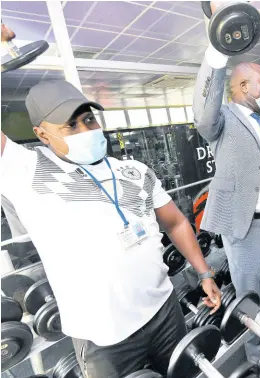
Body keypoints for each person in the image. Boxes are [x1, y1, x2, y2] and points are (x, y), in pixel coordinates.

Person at [0, 80, 222, 377]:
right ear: (42, 135)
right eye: (71, 125)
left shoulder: (134, 171)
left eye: (89, 119)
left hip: (165, 311)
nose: (87, 130)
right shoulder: (28, 173)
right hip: (104, 337)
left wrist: (204, 272)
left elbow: (176, 221)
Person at [192, 43, 260, 362]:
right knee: (250, 301)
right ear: (243, 86)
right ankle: (258, 357)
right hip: (246, 230)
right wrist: (217, 55)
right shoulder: (223, 119)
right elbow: (203, 113)